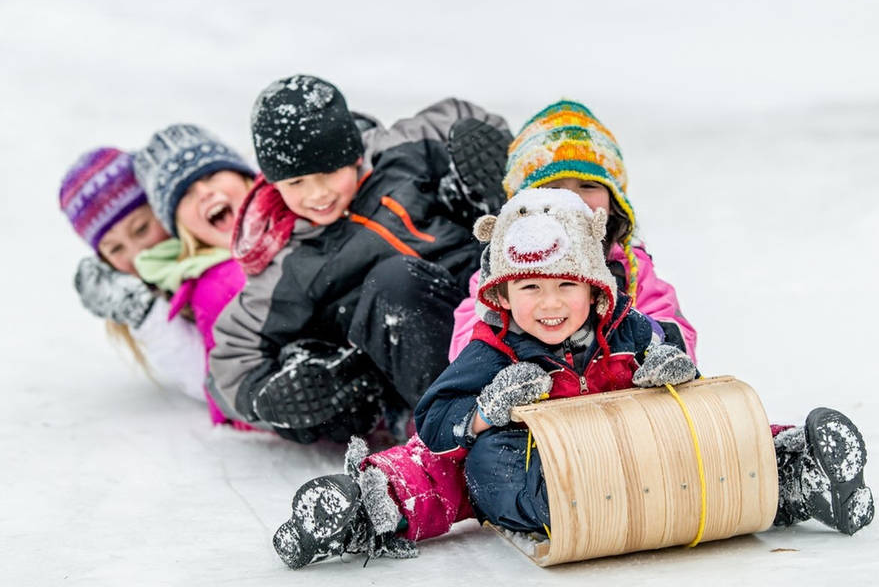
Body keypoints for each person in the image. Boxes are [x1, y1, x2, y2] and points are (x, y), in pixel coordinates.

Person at [273, 189, 873, 568]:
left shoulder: (627, 330)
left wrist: (671, 370)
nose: (550, 303)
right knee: (454, 466)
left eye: (566, 286)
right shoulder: (494, 350)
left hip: (634, 450)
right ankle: (358, 509)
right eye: (531, 288)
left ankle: (795, 474)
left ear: (595, 289)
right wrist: (486, 410)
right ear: (504, 294)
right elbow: (435, 419)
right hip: (536, 466)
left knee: (706, 429)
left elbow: (678, 364)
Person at [208, 74, 512, 443]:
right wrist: (266, 398)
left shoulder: (400, 152)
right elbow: (229, 361)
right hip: (425, 357)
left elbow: (467, 119)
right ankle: (449, 428)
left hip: (495, 300)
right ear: (274, 183)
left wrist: (481, 164)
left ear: (353, 154)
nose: (316, 194)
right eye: (295, 183)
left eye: (329, 172)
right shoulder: (292, 264)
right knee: (394, 282)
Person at [448, 99, 696, 363]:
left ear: (614, 203)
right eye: (553, 187)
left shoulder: (631, 269)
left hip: (616, 398)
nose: (572, 198)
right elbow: (466, 342)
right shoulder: (503, 268)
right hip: (536, 398)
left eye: (588, 185)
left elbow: (676, 329)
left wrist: (655, 347)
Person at [130, 124, 258, 427]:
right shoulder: (222, 284)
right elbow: (230, 398)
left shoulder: (311, 210)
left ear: (245, 177)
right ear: (181, 228)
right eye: (184, 194)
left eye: (212, 174)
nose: (204, 192)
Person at [61, 147, 207, 402]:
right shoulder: (159, 297)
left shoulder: (219, 260)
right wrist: (146, 315)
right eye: (115, 249)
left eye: (141, 229)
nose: (137, 254)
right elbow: (208, 379)